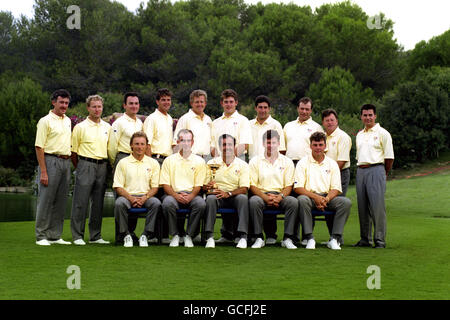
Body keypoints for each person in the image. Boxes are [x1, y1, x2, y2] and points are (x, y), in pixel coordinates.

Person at [294, 132, 352, 250]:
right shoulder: (302, 163)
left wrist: (326, 199)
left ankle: (334, 238)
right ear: (310, 146)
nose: (318, 148)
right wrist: (316, 198)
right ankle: (309, 238)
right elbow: (298, 188)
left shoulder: (332, 164)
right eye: (315, 145)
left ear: (325, 146)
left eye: (321, 145)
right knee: (302, 200)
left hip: (327, 198)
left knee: (345, 202)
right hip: (309, 198)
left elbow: (336, 188)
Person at [70, 95, 111, 245]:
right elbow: (73, 152)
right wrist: (81, 167)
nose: (97, 109)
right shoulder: (80, 127)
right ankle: (77, 236)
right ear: (88, 108)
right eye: (94, 106)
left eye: (99, 106)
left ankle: (95, 236)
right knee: (80, 202)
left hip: (102, 165)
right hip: (85, 164)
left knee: (98, 202)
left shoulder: (108, 127)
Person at [34, 89, 73, 246]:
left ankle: (55, 235)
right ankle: (41, 235)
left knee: (60, 200)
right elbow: (39, 147)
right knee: (46, 199)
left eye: (66, 103)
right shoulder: (45, 121)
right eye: (61, 102)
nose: (64, 106)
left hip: (65, 162)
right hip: (50, 160)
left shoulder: (68, 120)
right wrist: (43, 171)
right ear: (53, 102)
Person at [249, 130, 298, 249]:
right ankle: (259, 237)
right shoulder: (255, 161)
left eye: (274, 142)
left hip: (280, 195)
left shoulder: (287, 161)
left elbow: (288, 186)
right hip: (261, 195)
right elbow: (252, 185)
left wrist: (280, 197)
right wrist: (265, 197)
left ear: (279, 143)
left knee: (293, 202)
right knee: (253, 201)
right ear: (263, 143)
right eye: (268, 142)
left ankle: (287, 238)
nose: (271, 145)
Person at [355, 104, 394, 249]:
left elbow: (389, 157)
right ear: (361, 117)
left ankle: (380, 240)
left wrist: (383, 173)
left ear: (375, 116)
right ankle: (365, 239)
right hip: (361, 170)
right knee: (362, 207)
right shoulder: (359, 134)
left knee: (377, 207)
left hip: (376, 169)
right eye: (365, 115)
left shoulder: (383, 133)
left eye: (370, 115)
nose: (367, 118)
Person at [113, 132, 161, 248]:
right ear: (131, 145)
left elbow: (155, 187)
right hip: (127, 197)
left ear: (146, 146)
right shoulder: (123, 163)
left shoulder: (153, 163)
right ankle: (126, 235)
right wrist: (131, 198)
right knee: (119, 203)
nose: (139, 147)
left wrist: (145, 198)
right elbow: (118, 186)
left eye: (142, 144)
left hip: (146, 196)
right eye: (137, 144)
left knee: (156, 203)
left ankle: (145, 235)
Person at [160, 129, 206, 247]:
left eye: (188, 140)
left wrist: (190, 196)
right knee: (167, 203)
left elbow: (198, 185)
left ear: (192, 142)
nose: (186, 143)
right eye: (183, 140)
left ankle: (188, 236)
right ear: (178, 142)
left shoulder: (199, 161)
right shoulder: (169, 160)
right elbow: (165, 185)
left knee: (200, 204)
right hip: (173, 195)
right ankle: (175, 235)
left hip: (192, 195)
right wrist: (176, 196)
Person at [204, 134, 250, 249]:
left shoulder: (243, 165)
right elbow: (203, 186)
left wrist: (228, 193)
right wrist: (208, 187)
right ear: (220, 146)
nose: (227, 147)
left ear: (234, 146)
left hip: (234, 196)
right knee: (210, 199)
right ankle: (209, 237)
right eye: (224, 144)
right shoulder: (211, 163)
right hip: (217, 196)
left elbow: (244, 188)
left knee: (243, 198)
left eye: (230, 144)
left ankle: (242, 237)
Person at [210, 89, 252, 160]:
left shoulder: (243, 120)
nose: (228, 105)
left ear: (236, 103)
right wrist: (220, 159)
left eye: (231, 102)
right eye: (226, 102)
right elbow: (212, 146)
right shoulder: (215, 123)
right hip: (218, 161)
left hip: (238, 160)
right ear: (222, 103)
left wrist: (229, 159)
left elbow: (244, 144)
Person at [173, 89, 212, 161]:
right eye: (197, 102)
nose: (200, 104)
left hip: (206, 159)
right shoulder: (185, 119)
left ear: (205, 103)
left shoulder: (208, 120)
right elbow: (176, 143)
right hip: (189, 159)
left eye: (202, 102)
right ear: (191, 103)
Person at [107, 92, 143, 170]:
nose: (134, 106)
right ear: (124, 105)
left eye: (136, 103)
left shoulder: (140, 123)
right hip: (123, 158)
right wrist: (115, 163)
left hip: (137, 160)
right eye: (131, 103)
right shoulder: (119, 123)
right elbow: (112, 147)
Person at [283, 97, 323, 166]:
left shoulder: (317, 127)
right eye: (302, 109)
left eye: (307, 109)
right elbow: (282, 148)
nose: (304, 112)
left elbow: (322, 150)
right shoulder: (288, 126)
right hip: (289, 165)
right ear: (297, 108)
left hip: (308, 165)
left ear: (311, 111)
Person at [322, 109, 352, 196]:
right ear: (323, 123)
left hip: (339, 173)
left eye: (332, 120)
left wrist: (328, 175)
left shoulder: (343, 137)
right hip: (324, 174)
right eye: (327, 120)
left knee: (337, 202)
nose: (329, 123)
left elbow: (341, 162)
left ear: (337, 121)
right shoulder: (322, 136)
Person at [249, 95, 286, 160]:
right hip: (252, 164)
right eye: (260, 107)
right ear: (255, 108)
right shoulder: (249, 124)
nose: (263, 110)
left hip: (270, 163)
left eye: (265, 107)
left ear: (269, 109)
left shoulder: (276, 125)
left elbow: (281, 149)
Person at [143, 88, 174, 165]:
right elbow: (147, 144)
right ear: (157, 102)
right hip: (155, 160)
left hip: (168, 161)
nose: (166, 102)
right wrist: (149, 164)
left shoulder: (169, 118)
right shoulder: (152, 118)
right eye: (163, 100)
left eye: (168, 100)